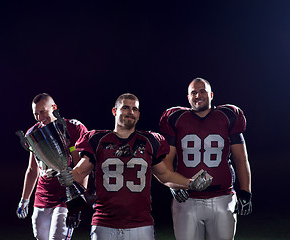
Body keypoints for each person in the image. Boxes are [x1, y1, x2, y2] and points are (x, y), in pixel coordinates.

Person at [57, 93, 212, 240]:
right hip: (104, 223)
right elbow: (79, 172)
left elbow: (165, 175)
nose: (130, 112)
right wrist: (67, 174)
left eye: (135, 109)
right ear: (114, 111)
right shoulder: (97, 139)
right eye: (125, 107)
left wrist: (190, 183)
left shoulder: (150, 141)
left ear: (138, 114)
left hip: (141, 224)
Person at [159, 78, 252, 240]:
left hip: (223, 197)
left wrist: (246, 191)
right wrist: (173, 185)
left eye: (202, 91)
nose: (198, 95)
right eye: (193, 92)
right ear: (188, 97)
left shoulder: (228, 115)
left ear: (211, 94)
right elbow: (167, 160)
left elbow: (241, 159)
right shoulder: (175, 118)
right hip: (187, 199)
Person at [16, 93, 88, 240]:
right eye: (35, 114)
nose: (39, 117)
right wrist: (24, 199)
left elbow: (82, 168)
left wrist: (77, 203)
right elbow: (32, 170)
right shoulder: (33, 133)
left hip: (66, 196)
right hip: (42, 195)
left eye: (43, 112)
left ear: (54, 108)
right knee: (40, 237)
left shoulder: (72, 128)